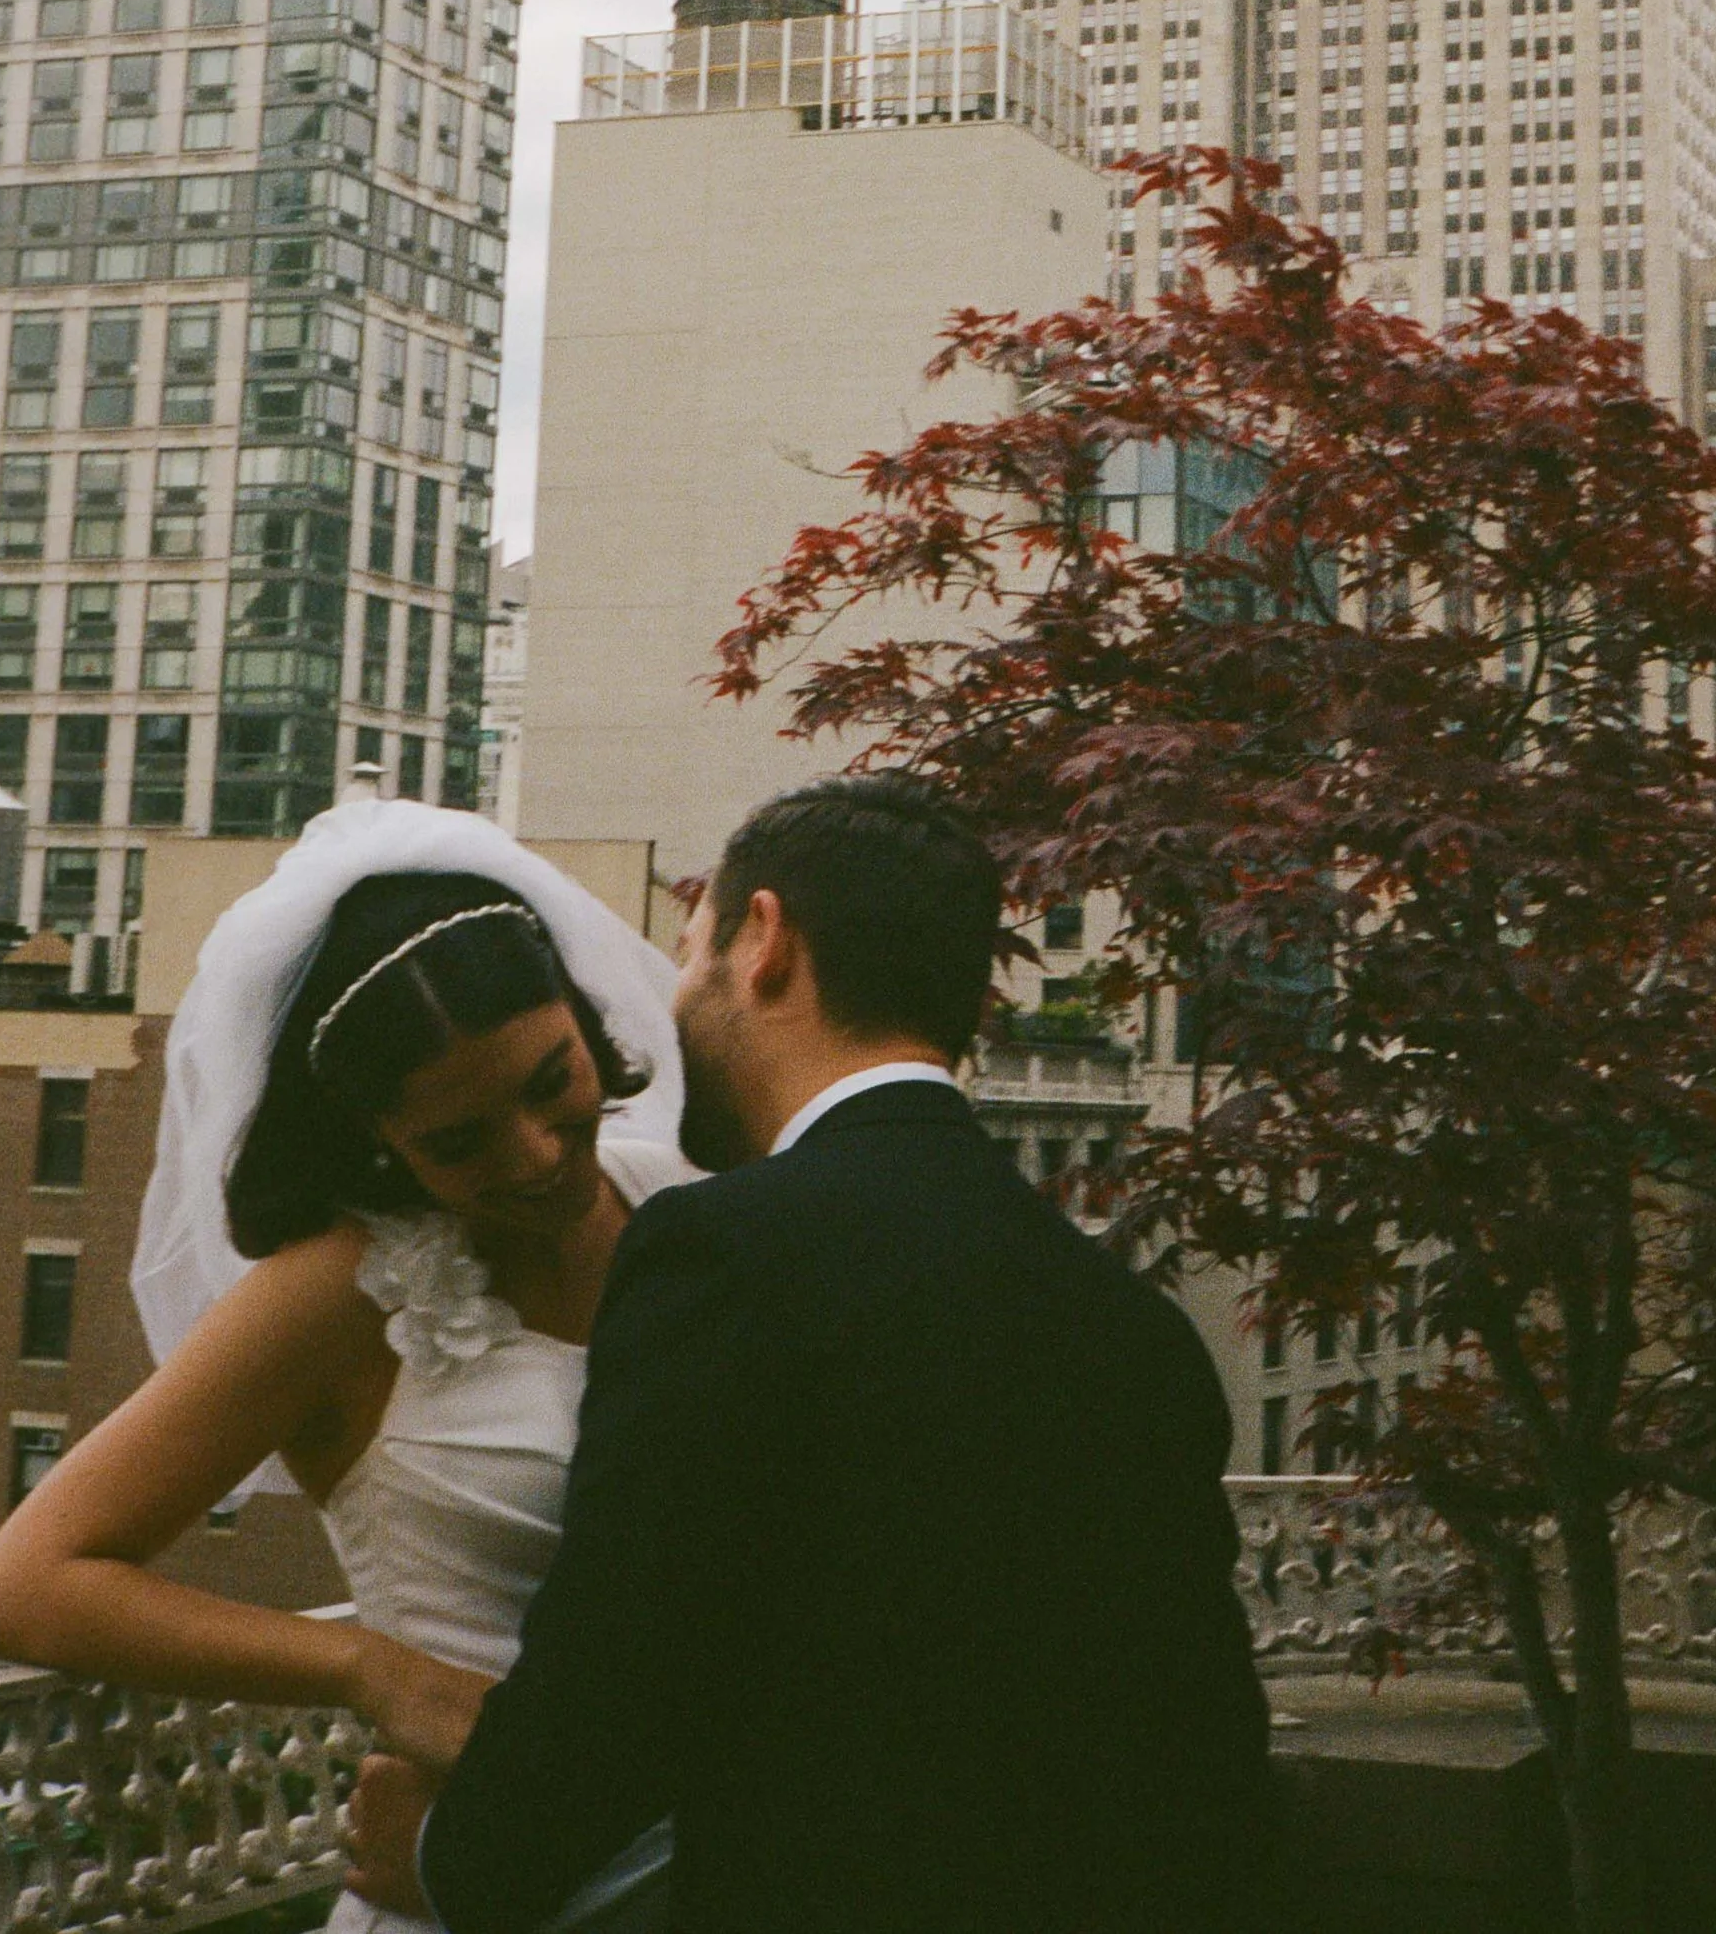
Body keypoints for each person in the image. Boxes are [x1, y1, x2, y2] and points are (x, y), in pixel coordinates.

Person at [365, 773, 1276, 1934]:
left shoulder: (718, 1251)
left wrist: (448, 1859)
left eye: (689, 952)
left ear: (765, 940)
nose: (676, 999)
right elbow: (1199, 1733)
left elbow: (620, 1668)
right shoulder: (1123, 1316)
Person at [0, 797, 691, 1934]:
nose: (536, 1153)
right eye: (458, 1139)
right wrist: (370, 1668)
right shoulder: (339, 1291)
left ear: (590, 1029)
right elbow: (21, 1586)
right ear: (378, 1142)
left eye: (554, 1081)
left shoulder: (682, 1204)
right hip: (455, 1871)